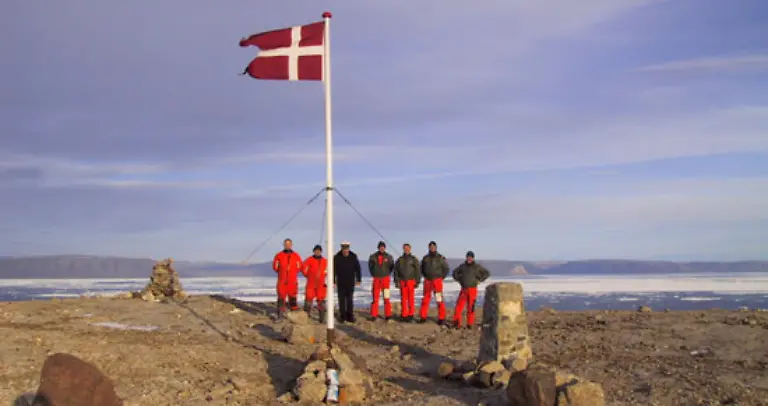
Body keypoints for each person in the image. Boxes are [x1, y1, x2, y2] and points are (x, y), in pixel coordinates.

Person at [452, 251, 490, 329]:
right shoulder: (462, 266)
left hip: (472, 290)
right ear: (466, 257)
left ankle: (470, 324)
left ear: (473, 258)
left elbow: (486, 273)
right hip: (464, 290)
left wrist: (480, 280)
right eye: (468, 257)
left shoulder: (477, 267)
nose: (469, 258)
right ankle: (456, 323)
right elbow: (454, 272)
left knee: (471, 307)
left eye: (470, 257)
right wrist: (459, 279)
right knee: (458, 307)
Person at [419, 241, 450, 325]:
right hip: (427, 280)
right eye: (431, 247)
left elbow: (446, 269)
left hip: (437, 281)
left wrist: (441, 277)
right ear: (429, 248)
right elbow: (421, 268)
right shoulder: (425, 258)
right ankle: (423, 316)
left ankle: (441, 318)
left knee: (439, 299)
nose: (432, 248)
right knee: (425, 299)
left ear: (436, 247)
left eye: (433, 247)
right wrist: (425, 276)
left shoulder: (440, 258)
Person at [272, 238, 303, 320]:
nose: (287, 246)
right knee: (281, 298)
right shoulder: (279, 255)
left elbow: (299, 267)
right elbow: (275, 267)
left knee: (293, 298)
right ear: (284, 245)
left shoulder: (296, 256)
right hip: (282, 281)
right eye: (286, 244)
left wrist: (292, 272)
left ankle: (294, 316)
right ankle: (280, 316)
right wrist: (282, 271)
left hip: (292, 281)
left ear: (291, 245)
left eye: (289, 244)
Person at [334, 241, 361, 323]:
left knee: (349, 300)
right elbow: (333, 270)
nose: (345, 250)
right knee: (341, 300)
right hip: (341, 282)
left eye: (346, 249)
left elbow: (358, 269)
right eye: (344, 249)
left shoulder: (353, 256)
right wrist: (333, 281)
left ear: (348, 248)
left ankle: (350, 316)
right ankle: (342, 316)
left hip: (350, 282)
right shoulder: (337, 257)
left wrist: (358, 279)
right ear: (341, 248)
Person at [368, 241, 395, 321]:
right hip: (376, 279)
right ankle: (374, 315)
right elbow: (370, 266)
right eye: (380, 247)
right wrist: (374, 273)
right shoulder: (373, 256)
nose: (382, 248)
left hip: (385, 279)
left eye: (383, 247)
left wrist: (387, 273)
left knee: (386, 297)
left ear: (385, 248)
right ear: (378, 247)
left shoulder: (389, 257)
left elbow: (391, 266)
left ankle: (388, 315)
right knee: (375, 298)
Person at [394, 243, 421, 322]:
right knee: (403, 299)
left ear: (410, 249)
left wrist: (417, 281)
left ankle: (411, 314)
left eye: (407, 248)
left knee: (411, 299)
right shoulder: (400, 260)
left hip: (411, 281)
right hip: (402, 281)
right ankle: (404, 314)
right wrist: (396, 281)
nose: (406, 249)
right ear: (403, 249)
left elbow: (418, 271)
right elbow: (396, 271)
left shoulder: (414, 259)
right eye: (405, 248)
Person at [301, 245, 328, 323]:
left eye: (319, 250)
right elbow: (303, 269)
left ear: (321, 251)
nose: (317, 252)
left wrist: (324, 276)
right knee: (308, 300)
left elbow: (328, 270)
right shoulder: (309, 260)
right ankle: (306, 317)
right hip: (311, 284)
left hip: (321, 284)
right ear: (313, 251)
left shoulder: (325, 261)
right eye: (316, 250)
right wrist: (308, 276)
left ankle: (322, 319)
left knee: (321, 301)